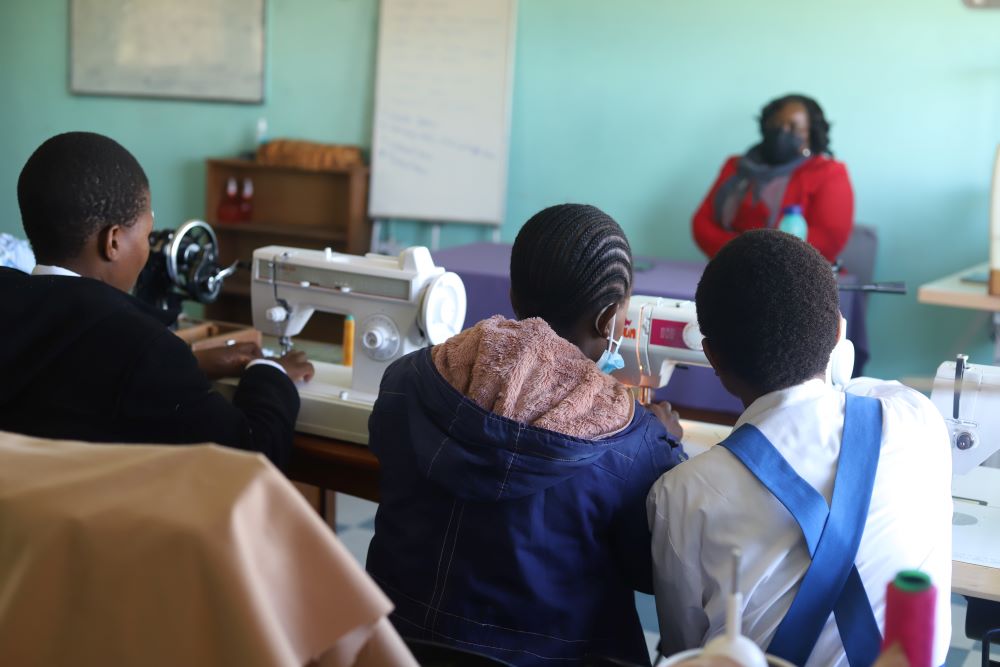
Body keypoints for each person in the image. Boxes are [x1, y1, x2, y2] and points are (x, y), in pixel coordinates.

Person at [365, 204, 687, 666]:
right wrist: (666, 443)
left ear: (514, 293)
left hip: (396, 650)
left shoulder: (406, 382)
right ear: (609, 320)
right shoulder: (632, 445)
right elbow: (650, 573)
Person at [647, 230, 952, 667]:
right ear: (841, 334)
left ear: (712, 358)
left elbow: (687, 649)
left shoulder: (681, 493)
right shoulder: (915, 416)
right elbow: (857, 389)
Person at [0, 131, 313, 467]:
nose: (148, 248)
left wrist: (189, 360)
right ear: (114, 242)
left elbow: (74, 373)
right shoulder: (140, 346)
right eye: (147, 234)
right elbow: (252, 458)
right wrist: (270, 373)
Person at [692, 94, 854, 263]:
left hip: (796, 275)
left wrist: (758, 252)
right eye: (776, 124)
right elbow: (701, 223)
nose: (782, 131)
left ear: (810, 135)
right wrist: (741, 253)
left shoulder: (828, 172)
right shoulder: (736, 165)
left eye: (794, 127)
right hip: (729, 266)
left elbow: (830, 239)